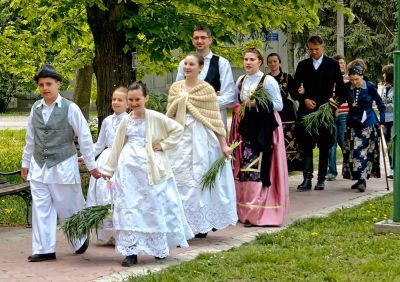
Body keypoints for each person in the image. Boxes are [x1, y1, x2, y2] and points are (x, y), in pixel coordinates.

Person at [102, 82, 193, 267]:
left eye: (138, 99)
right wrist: (109, 170)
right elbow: (117, 145)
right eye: (131, 100)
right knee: (130, 210)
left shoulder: (155, 117)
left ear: (146, 98)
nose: (134, 103)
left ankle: (158, 248)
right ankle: (131, 251)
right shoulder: (126, 120)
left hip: (151, 170)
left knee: (152, 207)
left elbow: (177, 129)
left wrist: (163, 145)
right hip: (129, 171)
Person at [21, 64, 101, 262]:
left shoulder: (70, 108)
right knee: (41, 208)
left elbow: (84, 137)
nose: (45, 88)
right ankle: (44, 249)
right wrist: (26, 163)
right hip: (39, 167)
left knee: (68, 206)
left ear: (58, 84)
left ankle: (79, 238)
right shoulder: (35, 108)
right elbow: (30, 138)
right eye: (41, 85)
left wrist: (91, 166)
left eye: (49, 84)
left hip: (63, 165)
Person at [167, 52, 237, 238]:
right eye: (185, 64)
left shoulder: (206, 90)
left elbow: (215, 119)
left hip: (201, 138)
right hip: (180, 136)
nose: (187, 67)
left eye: (191, 64)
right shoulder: (175, 88)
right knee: (178, 178)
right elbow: (170, 115)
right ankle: (181, 222)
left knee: (198, 179)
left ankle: (200, 223)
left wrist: (224, 145)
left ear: (200, 68)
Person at [230, 48, 289, 227]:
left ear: (259, 62)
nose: (248, 62)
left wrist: (256, 102)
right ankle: (244, 211)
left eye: (252, 59)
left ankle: (258, 212)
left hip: (263, 128)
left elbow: (279, 105)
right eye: (245, 59)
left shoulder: (268, 81)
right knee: (245, 170)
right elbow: (234, 101)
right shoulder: (241, 80)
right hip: (245, 127)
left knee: (258, 169)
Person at [294, 35, 346, 191]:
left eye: (316, 49)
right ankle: (307, 178)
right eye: (311, 50)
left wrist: (333, 103)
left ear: (322, 47)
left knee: (324, 145)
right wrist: (304, 99)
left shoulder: (332, 65)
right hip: (307, 110)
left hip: (325, 111)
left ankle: (321, 179)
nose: (314, 52)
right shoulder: (303, 65)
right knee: (306, 145)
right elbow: (295, 88)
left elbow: (342, 91)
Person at [84, 87, 129, 244]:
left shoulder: (130, 120)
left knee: (119, 194)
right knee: (104, 195)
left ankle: (121, 232)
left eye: (120, 100)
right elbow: (99, 144)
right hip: (106, 159)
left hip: (122, 159)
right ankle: (107, 233)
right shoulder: (107, 121)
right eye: (113, 99)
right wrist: (86, 157)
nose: (115, 102)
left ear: (128, 103)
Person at [176, 25, 236, 129]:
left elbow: (230, 96)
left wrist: (194, 101)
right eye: (196, 38)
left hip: (214, 121)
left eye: (203, 37)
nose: (199, 41)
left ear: (210, 40)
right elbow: (177, 93)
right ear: (192, 41)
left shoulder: (222, 63)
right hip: (190, 121)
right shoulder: (184, 64)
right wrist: (211, 98)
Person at [342, 62, 386, 191]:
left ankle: (362, 180)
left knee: (360, 150)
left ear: (362, 76)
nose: (354, 82)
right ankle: (359, 178)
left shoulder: (370, 86)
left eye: (357, 79)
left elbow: (380, 104)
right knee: (352, 151)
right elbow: (338, 98)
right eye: (352, 79)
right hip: (352, 123)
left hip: (367, 122)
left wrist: (381, 120)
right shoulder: (347, 87)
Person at [266, 52, 302, 172]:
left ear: (279, 62)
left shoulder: (287, 77)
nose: (272, 64)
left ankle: (289, 166)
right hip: (271, 111)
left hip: (287, 112)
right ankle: (274, 167)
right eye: (270, 62)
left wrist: (301, 91)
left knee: (289, 137)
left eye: (275, 61)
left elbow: (295, 95)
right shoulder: (265, 79)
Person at [327, 55, 350, 181]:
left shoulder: (349, 79)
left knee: (344, 142)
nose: (341, 65)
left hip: (344, 116)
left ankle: (349, 169)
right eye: (338, 63)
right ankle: (332, 171)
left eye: (342, 62)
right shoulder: (329, 79)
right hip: (331, 116)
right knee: (331, 144)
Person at [381, 64, 394, 178]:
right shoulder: (384, 87)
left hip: (394, 119)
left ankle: (396, 167)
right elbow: (381, 102)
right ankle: (392, 169)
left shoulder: (397, 87)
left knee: (394, 144)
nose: (383, 75)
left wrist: (384, 105)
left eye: (384, 73)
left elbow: (394, 105)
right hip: (385, 119)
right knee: (388, 144)